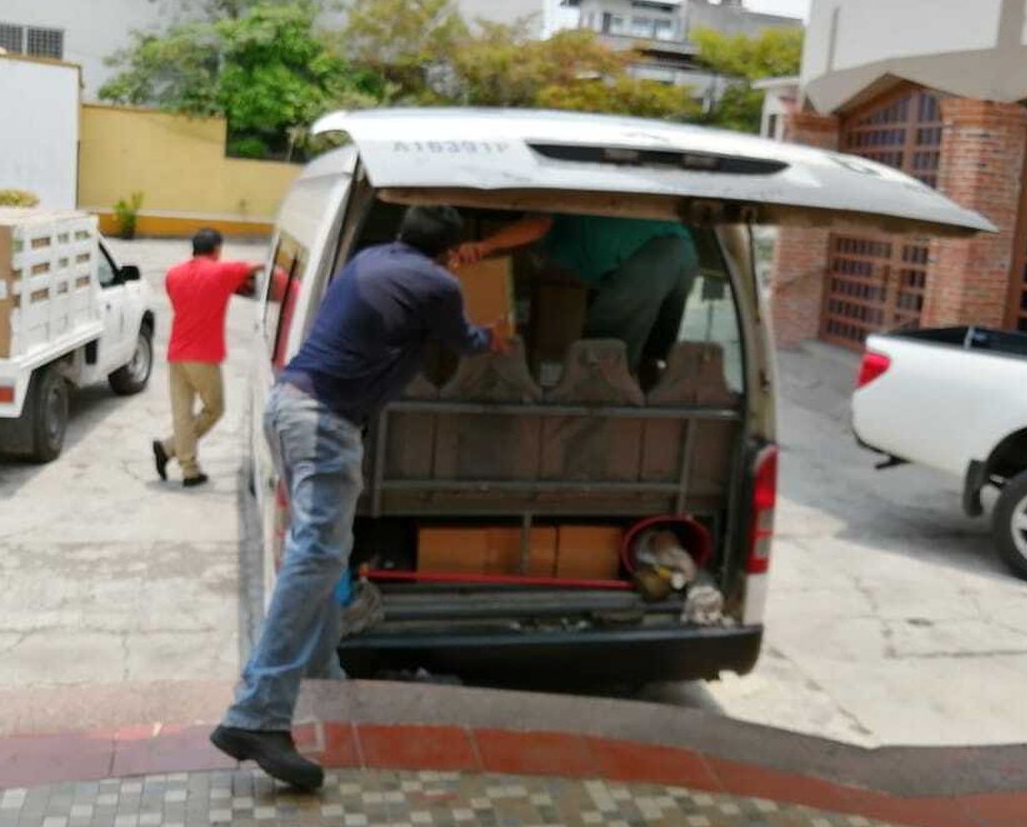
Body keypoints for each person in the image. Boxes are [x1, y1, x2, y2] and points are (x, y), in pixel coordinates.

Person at [210, 206, 505, 790]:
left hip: (290, 405)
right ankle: (257, 713)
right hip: (325, 421)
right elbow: (466, 341)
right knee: (318, 554)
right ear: (448, 253)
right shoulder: (438, 284)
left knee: (324, 553)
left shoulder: (371, 258)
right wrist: (498, 334)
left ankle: (324, 676)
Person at [456, 213, 697, 385]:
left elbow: (539, 222)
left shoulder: (557, 214)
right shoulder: (587, 244)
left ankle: (604, 417)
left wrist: (486, 246)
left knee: (603, 351)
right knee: (653, 354)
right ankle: (647, 405)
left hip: (648, 257)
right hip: (683, 253)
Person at [152, 228, 262, 488]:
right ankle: (169, 450)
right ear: (217, 250)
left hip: (176, 353)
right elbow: (255, 267)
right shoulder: (222, 271)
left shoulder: (173, 274)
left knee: (182, 414)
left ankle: (189, 469)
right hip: (203, 355)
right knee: (215, 408)